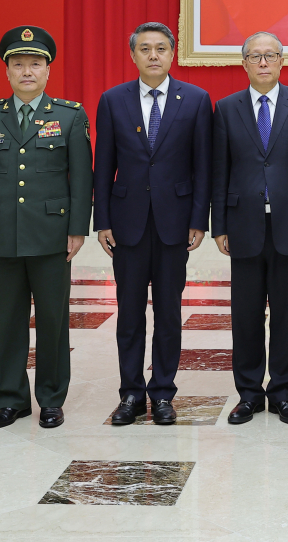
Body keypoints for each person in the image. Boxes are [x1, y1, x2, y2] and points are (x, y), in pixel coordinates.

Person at [0, 26, 92, 429]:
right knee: (10, 319)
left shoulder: (69, 116)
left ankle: (51, 398)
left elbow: (81, 178)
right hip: (3, 233)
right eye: (18, 64)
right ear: (6, 71)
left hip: (52, 234)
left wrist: (78, 228)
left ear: (47, 70)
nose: (26, 71)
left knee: (54, 320)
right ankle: (11, 399)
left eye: (34, 64)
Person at [93, 23, 212, 426]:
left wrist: (199, 218)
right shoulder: (113, 100)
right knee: (129, 314)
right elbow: (103, 165)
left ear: (173, 53)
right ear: (133, 55)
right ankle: (130, 394)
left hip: (174, 223)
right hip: (127, 224)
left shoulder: (195, 99)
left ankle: (162, 394)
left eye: (161, 48)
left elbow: (202, 167)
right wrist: (102, 219)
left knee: (168, 312)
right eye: (145, 49)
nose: (154, 55)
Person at [212, 32, 288, 425]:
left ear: (282, 62)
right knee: (244, 314)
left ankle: (283, 392)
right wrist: (219, 225)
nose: (263, 62)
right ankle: (248, 393)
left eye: (270, 55)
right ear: (243, 64)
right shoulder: (226, 108)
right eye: (255, 56)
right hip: (243, 224)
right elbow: (220, 171)